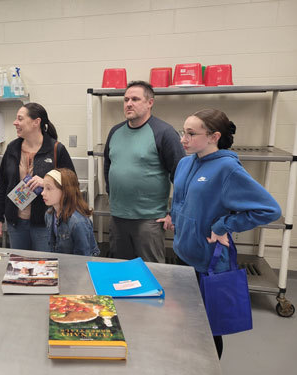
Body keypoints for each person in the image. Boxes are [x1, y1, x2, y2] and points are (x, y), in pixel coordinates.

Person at [171, 108, 281, 358]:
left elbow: (270, 210)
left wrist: (224, 226)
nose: (183, 139)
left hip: (208, 261)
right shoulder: (184, 163)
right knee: (184, 321)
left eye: (190, 133)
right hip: (182, 254)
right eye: (182, 132)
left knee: (209, 329)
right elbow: (180, 199)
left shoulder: (227, 169)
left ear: (214, 136)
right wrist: (174, 216)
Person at [103, 80, 185, 262]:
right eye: (125, 100)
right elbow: (108, 165)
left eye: (135, 99)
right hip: (118, 217)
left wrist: (174, 212)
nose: (128, 104)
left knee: (152, 273)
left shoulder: (164, 132)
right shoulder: (115, 131)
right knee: (122, 272)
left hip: (149, 219)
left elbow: (181, 176)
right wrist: (112, 194)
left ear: (150, 103)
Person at [0, 103, 75, 251]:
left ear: (36, 122)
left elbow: (72, 184)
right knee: (19, 266)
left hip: (45, 224)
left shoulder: (56, 149)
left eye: (20, 119)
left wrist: (47, 183)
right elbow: (3, 185)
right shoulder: (12, 149)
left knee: (43, 268)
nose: (15, 122)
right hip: (16, 224)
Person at [43, 168, 100, 256]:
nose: (43, 193)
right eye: (43, 188)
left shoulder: (77, 222)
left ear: (65, 191)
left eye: (48, 189)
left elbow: (83, 256)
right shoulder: (49, 214)